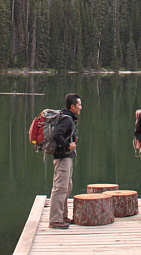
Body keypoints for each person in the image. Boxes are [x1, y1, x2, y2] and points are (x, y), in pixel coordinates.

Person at [48, 93, 82, 229]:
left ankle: (63, 216)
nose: (81, 107)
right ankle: (55, 220)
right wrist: (68, 145)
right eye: (79, 105)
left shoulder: (68, 118)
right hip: (62, 157)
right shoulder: (67, 120)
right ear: (72, 106)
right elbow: (57, 135)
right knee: (60, 187)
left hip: (67, 157)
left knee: (67, 187)